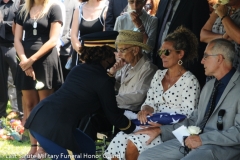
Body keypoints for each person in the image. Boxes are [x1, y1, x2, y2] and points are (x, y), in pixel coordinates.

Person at [24, 31, 137, 160]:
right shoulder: (102, 80)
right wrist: (136, 128)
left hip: (41, 116)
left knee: (88, 147)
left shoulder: (79, 69)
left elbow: (92, 88)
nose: (117, 56)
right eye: (114, 52)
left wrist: (110, 74)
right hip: (52, 127)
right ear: (106, 55)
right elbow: (113, 116)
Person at [104, 26, 201, 160]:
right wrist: (146, 109)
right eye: (161, 51)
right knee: (119, 140)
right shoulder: (158, 75)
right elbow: (149, 101)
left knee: (132, 143)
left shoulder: (190, 81)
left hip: (171, 131)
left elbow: (188, 117)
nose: (161, 55)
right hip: (149, 123)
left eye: (166, 52)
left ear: (180, 54)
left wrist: (161, 126)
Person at [137, 38, 240, 160]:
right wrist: (161, 130)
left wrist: (203, 139)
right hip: (193, 140)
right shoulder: (209, 86)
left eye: (206, 56)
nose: (202, 61)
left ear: (219, 58)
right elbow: (194, 120)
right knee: (146, 157)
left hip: (221, 147)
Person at [79, 30, 158, 140]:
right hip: (116, 109)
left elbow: (138, 97)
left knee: (93, 118)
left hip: (131, 113)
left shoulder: (149, 69)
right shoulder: (127, 65)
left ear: (135, 50)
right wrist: (112, 72)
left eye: (122, 50)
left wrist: (107, 100)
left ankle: (82, 152)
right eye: (118, 50)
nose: (119, 54)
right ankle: (78, 150)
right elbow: (116, 86)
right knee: (86, 113)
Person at [14, 0, 63, 158]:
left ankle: (44, 147)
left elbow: (53, 40)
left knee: (44, 106)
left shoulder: (54, 8)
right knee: (29, 105)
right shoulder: (23, 10)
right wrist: (24, 61)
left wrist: (31, 60)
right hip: (25, 62)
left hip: (45, 61)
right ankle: (33, 147)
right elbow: (17, 39)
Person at [154, 0, 210, 88]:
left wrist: (187, 70)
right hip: (160, 63)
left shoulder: (198, 2)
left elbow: (198, 40)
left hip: (183, 68)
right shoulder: (163, 2)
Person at [200, 0, 240, 71]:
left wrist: (223, 16)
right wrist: (223, 38)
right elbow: (203, 35)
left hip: (235, 67)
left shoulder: (221, 11)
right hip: (215, 67)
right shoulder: (222, 7)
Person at [70, 0, 108, 67]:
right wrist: (84, 55)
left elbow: (105, 38)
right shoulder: (79, 9)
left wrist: (94, 57)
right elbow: (73, 36)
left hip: (99, 58)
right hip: (80, 56)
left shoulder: (106, 9)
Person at [0, 0, 21, 118]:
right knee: (1, 81)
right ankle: (1, 112)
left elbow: (19, 23)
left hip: (14, 46)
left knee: (17, 79)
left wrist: (2, 23)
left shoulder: (18, 3)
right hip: (0, 46)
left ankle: (19, 111)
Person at [58, 0, 79, 80]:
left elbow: (74, 30)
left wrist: (60, 42)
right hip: (50, 51)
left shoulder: (74, 3)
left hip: (66, 51)